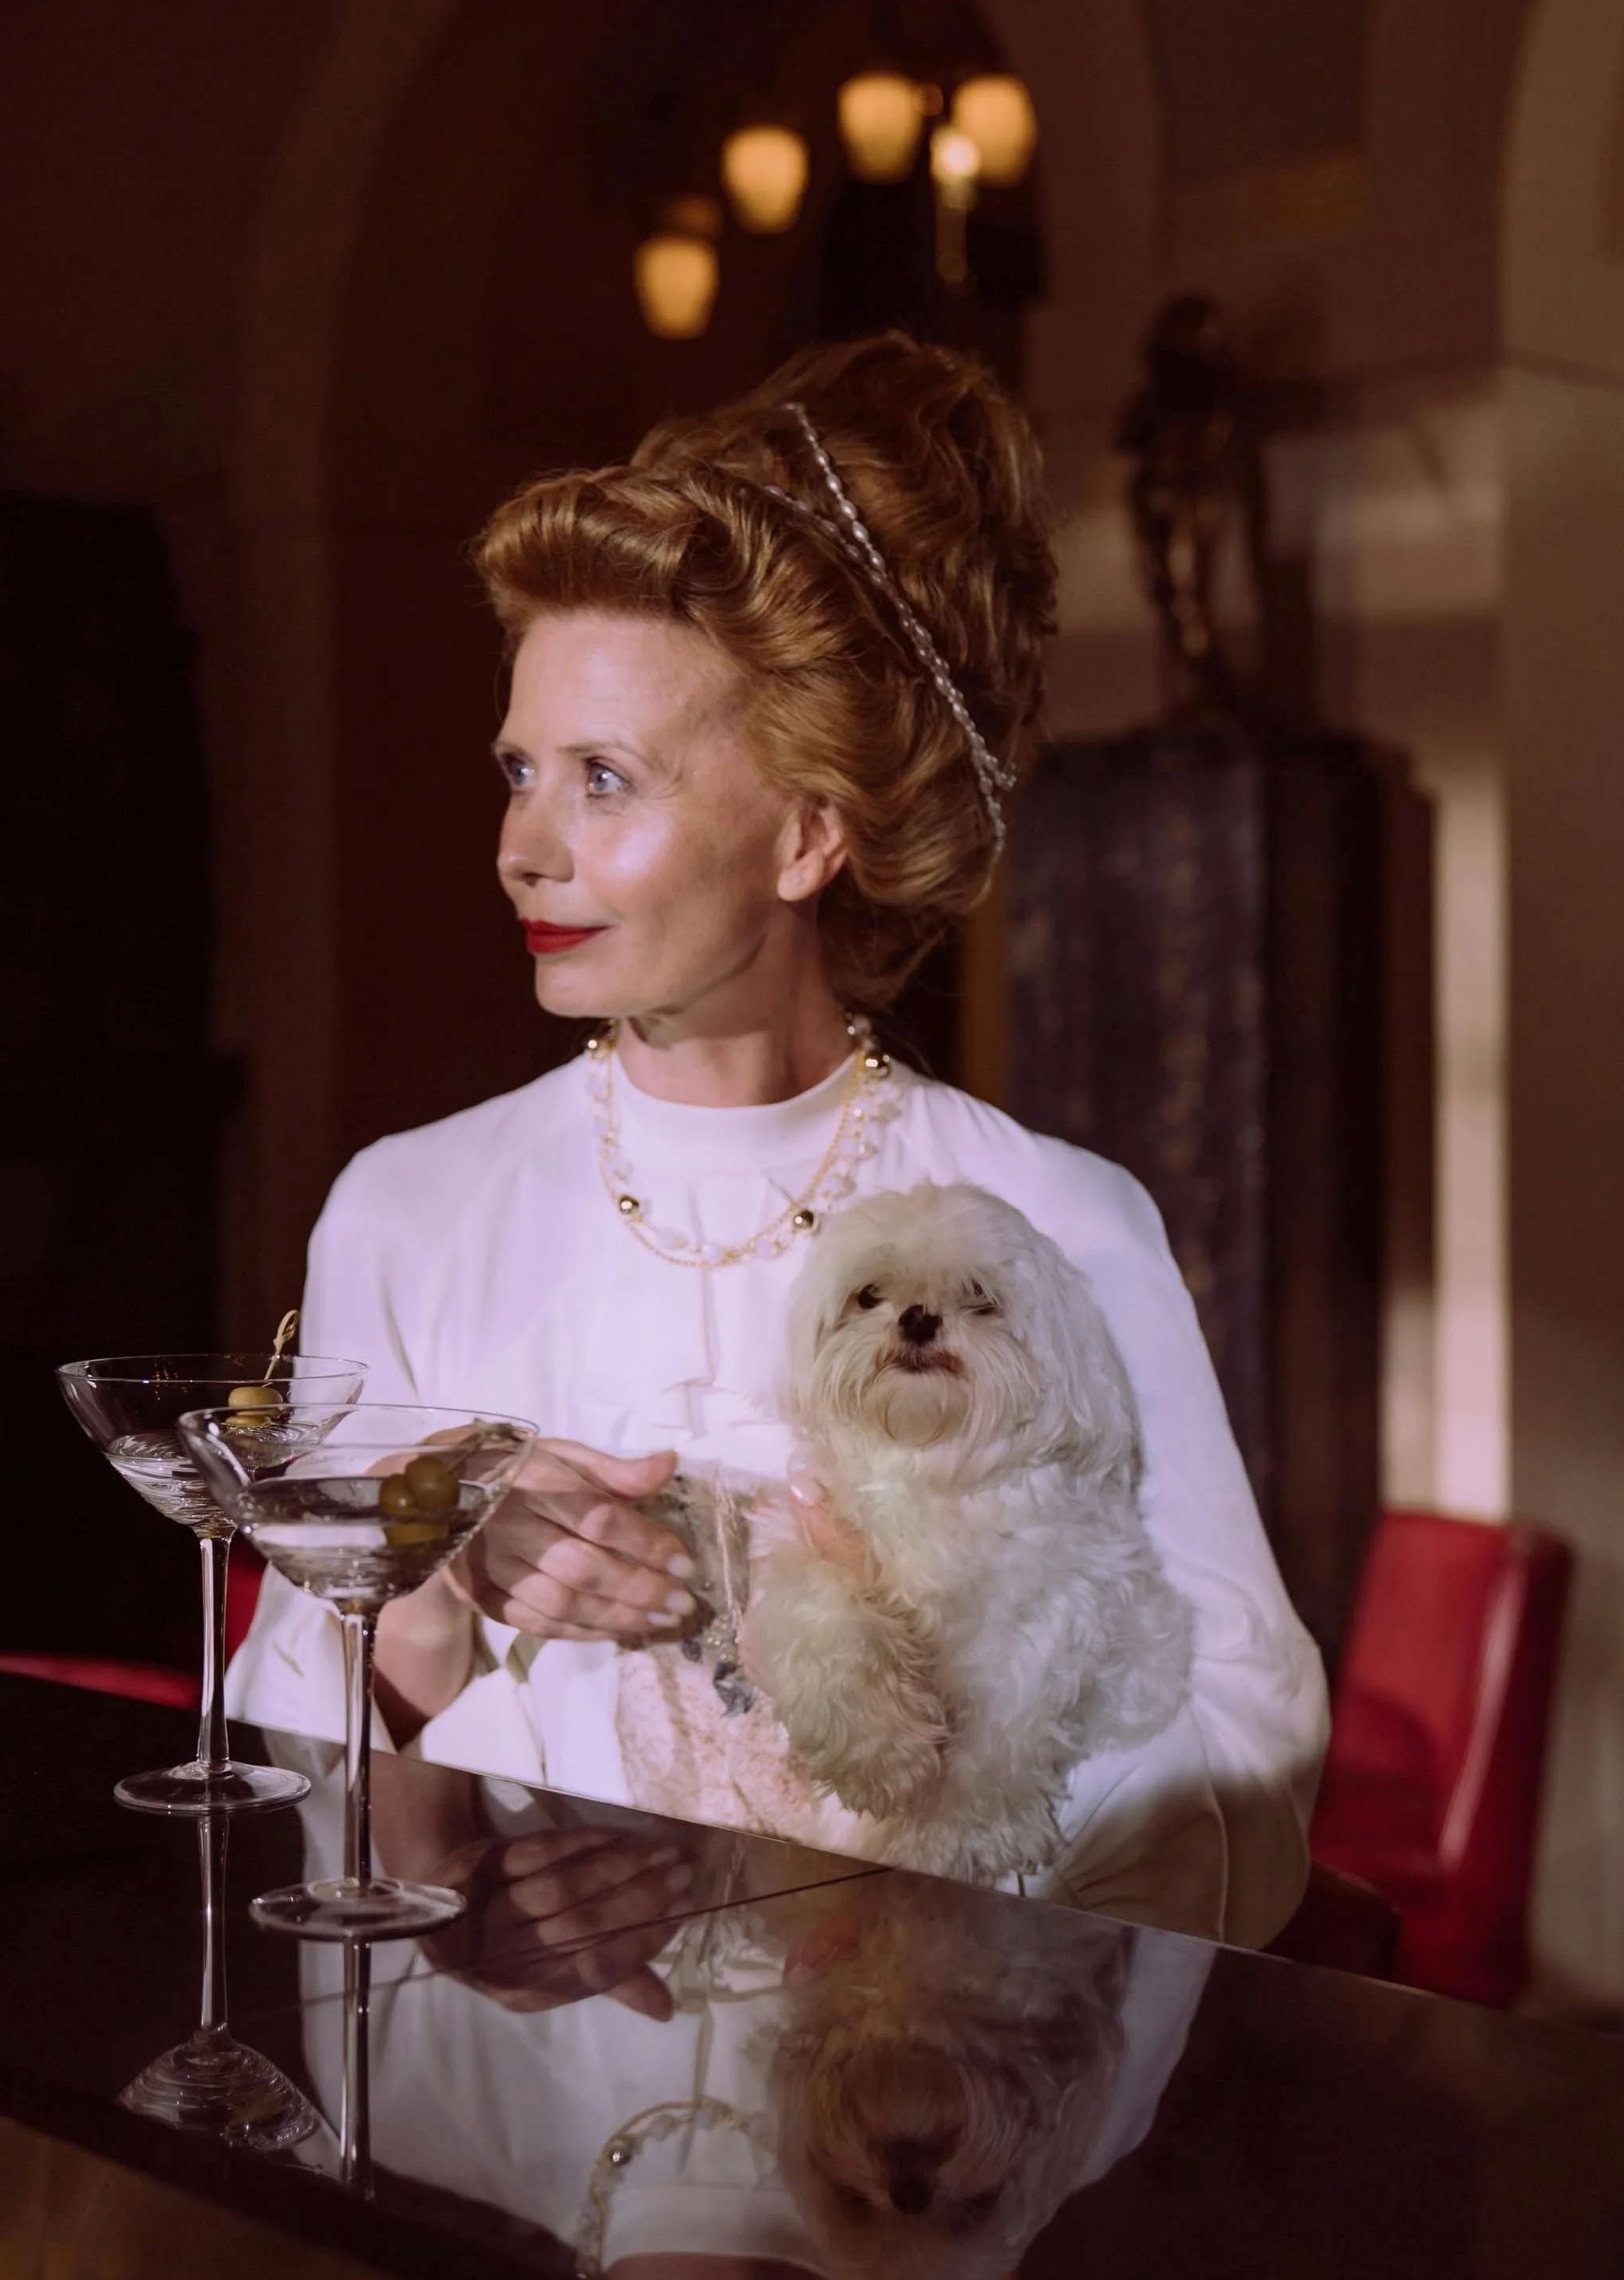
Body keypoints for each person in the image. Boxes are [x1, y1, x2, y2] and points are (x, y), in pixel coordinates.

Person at [227, 332, 1328, 1947]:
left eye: (604, 779)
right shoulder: (406, 1211)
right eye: (521, 771)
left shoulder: (1056, 1224)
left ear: (810, 831)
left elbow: (1242, 1760)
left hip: (918, 2127)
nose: (523, 847)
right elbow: (279, 1783)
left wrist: (908, 1778)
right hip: (504, 2149)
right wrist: (433, 1591)